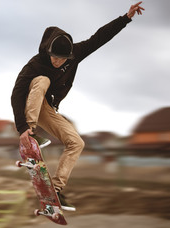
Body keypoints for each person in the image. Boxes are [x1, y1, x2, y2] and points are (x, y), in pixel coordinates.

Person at [11, 2, 144, 211]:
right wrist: (22, 128)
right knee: (43, 80)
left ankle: (55, 190)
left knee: (76, 143)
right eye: (54, 57)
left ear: (68, 56)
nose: (57, 62)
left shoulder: (76, 54)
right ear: (49, 51)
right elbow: (17, 93)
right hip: (31, 100)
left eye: (61, 59)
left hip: (47, 107)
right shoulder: (35, 64)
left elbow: (99, 38)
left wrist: (125, 18)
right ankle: (32, 134)